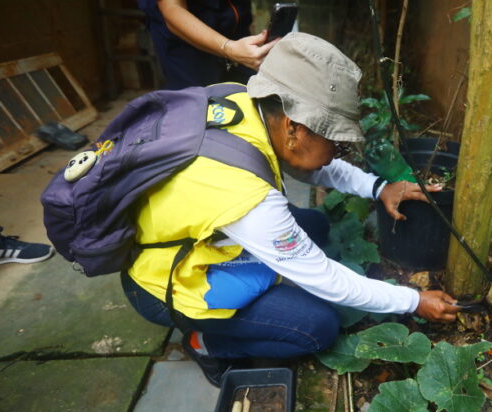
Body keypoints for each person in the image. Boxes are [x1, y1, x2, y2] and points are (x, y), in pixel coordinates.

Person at [120, 32, 461, 385]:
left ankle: (272, 281)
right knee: (317, 327)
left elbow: (311, 164)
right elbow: (327, 280)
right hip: (166, 283)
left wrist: (378, 187)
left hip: (186, 239)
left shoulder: (246, 103)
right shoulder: (249, 197)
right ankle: (204, 341)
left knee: (314, 225)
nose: (337, 151)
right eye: (335, 140)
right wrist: (412, 300)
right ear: (294, 129)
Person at [138, 0, 278, 89]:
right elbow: (172, 9)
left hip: (237, 32)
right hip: (188, 45)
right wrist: (228, 48)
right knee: (202, 112)